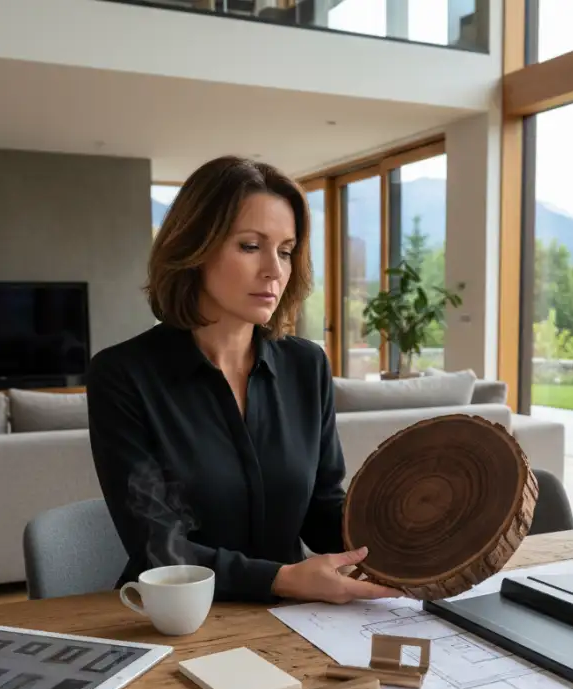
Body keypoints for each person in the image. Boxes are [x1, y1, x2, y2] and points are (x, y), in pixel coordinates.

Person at [86, 155, 397, 605]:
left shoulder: (307, 366)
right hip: (179, 615)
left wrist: (407, 538)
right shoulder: (122, 375)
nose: (274, 270)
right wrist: (283, 579)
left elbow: (324, 510)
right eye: (251, 246)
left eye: (286, 251)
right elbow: (160, 548)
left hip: (302, 616)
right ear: (194, 248)